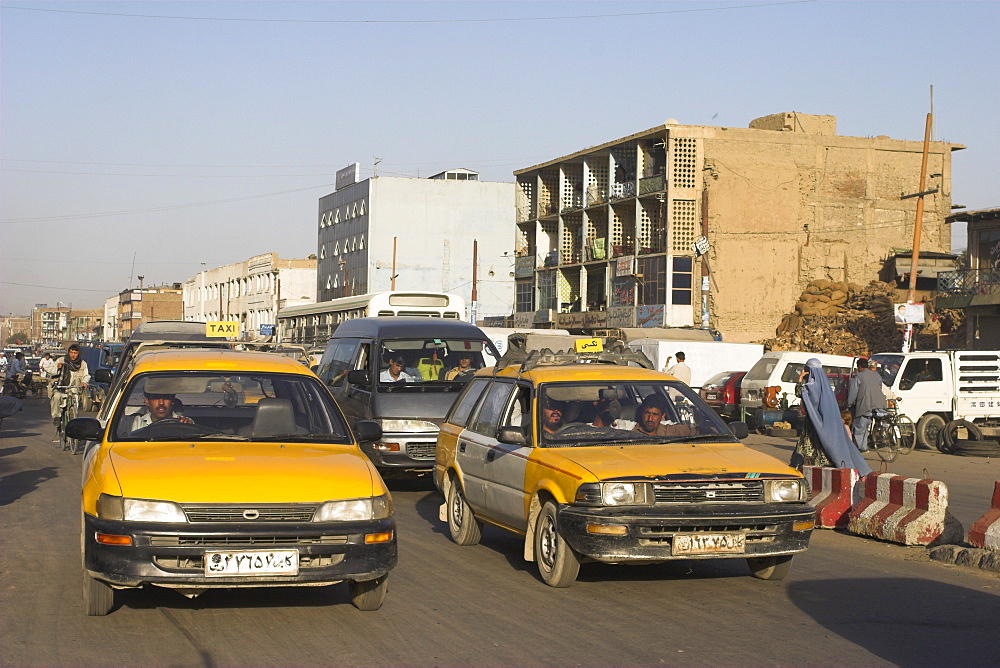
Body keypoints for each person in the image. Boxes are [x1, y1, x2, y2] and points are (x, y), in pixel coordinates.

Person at [790, 358, 871, 475]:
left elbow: (800, 392)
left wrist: (800, 379)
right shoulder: (825, 385)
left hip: (814, 422)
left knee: (808, 447)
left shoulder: (810, 386)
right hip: (828, 421)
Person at [848, 358, 887, 452]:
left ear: (860, 367)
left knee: (859, 427)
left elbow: (853, 392)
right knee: (866, 427)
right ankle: (864, 446)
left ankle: (859, 448)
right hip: (878, 405)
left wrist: (849, 403)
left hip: (864, 405)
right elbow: (880, 387)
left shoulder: (859, 376)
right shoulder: (876, 375)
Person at [50, 344, 91, 426]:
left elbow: (86, 375)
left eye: (75, 353)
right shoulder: (61, 360)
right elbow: (50, 370)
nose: (73, 355)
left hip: (74, 390)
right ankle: (57, 417)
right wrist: (57, 368)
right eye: (71, 352)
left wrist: (84, 382)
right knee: (56, 397)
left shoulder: (82, 364)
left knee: (75, 408)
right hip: (61, 389)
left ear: (79, 354)